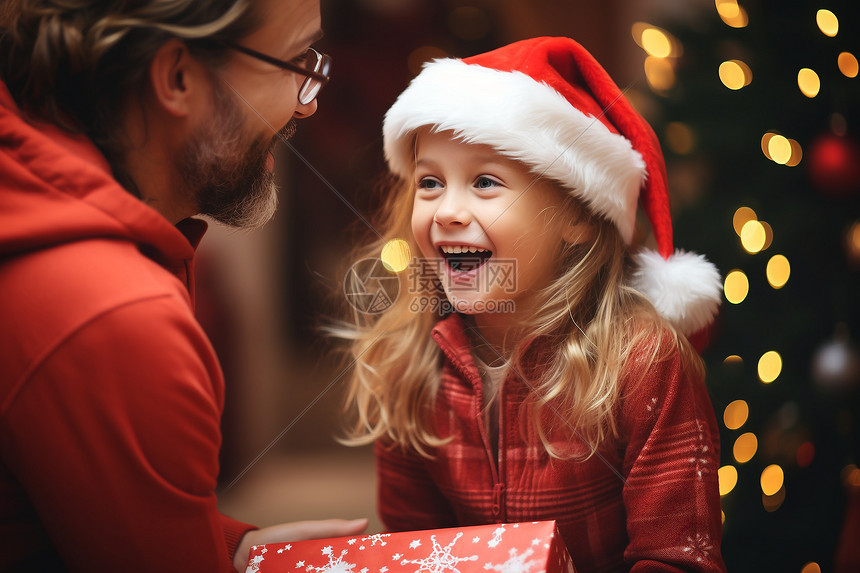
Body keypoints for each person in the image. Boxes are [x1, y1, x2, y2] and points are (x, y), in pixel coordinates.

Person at [0, 0, 365, 571]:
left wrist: (221, 547)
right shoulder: (116, 315)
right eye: (296, 62)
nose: (308, 103)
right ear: (175, 77)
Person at [339, 37, 727, 571]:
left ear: (574, 217)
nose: (448, 209)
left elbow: (678, 558)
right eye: (430, 181)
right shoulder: (408, 365)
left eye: (485, 182)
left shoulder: (645, 364)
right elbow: (414, 552)